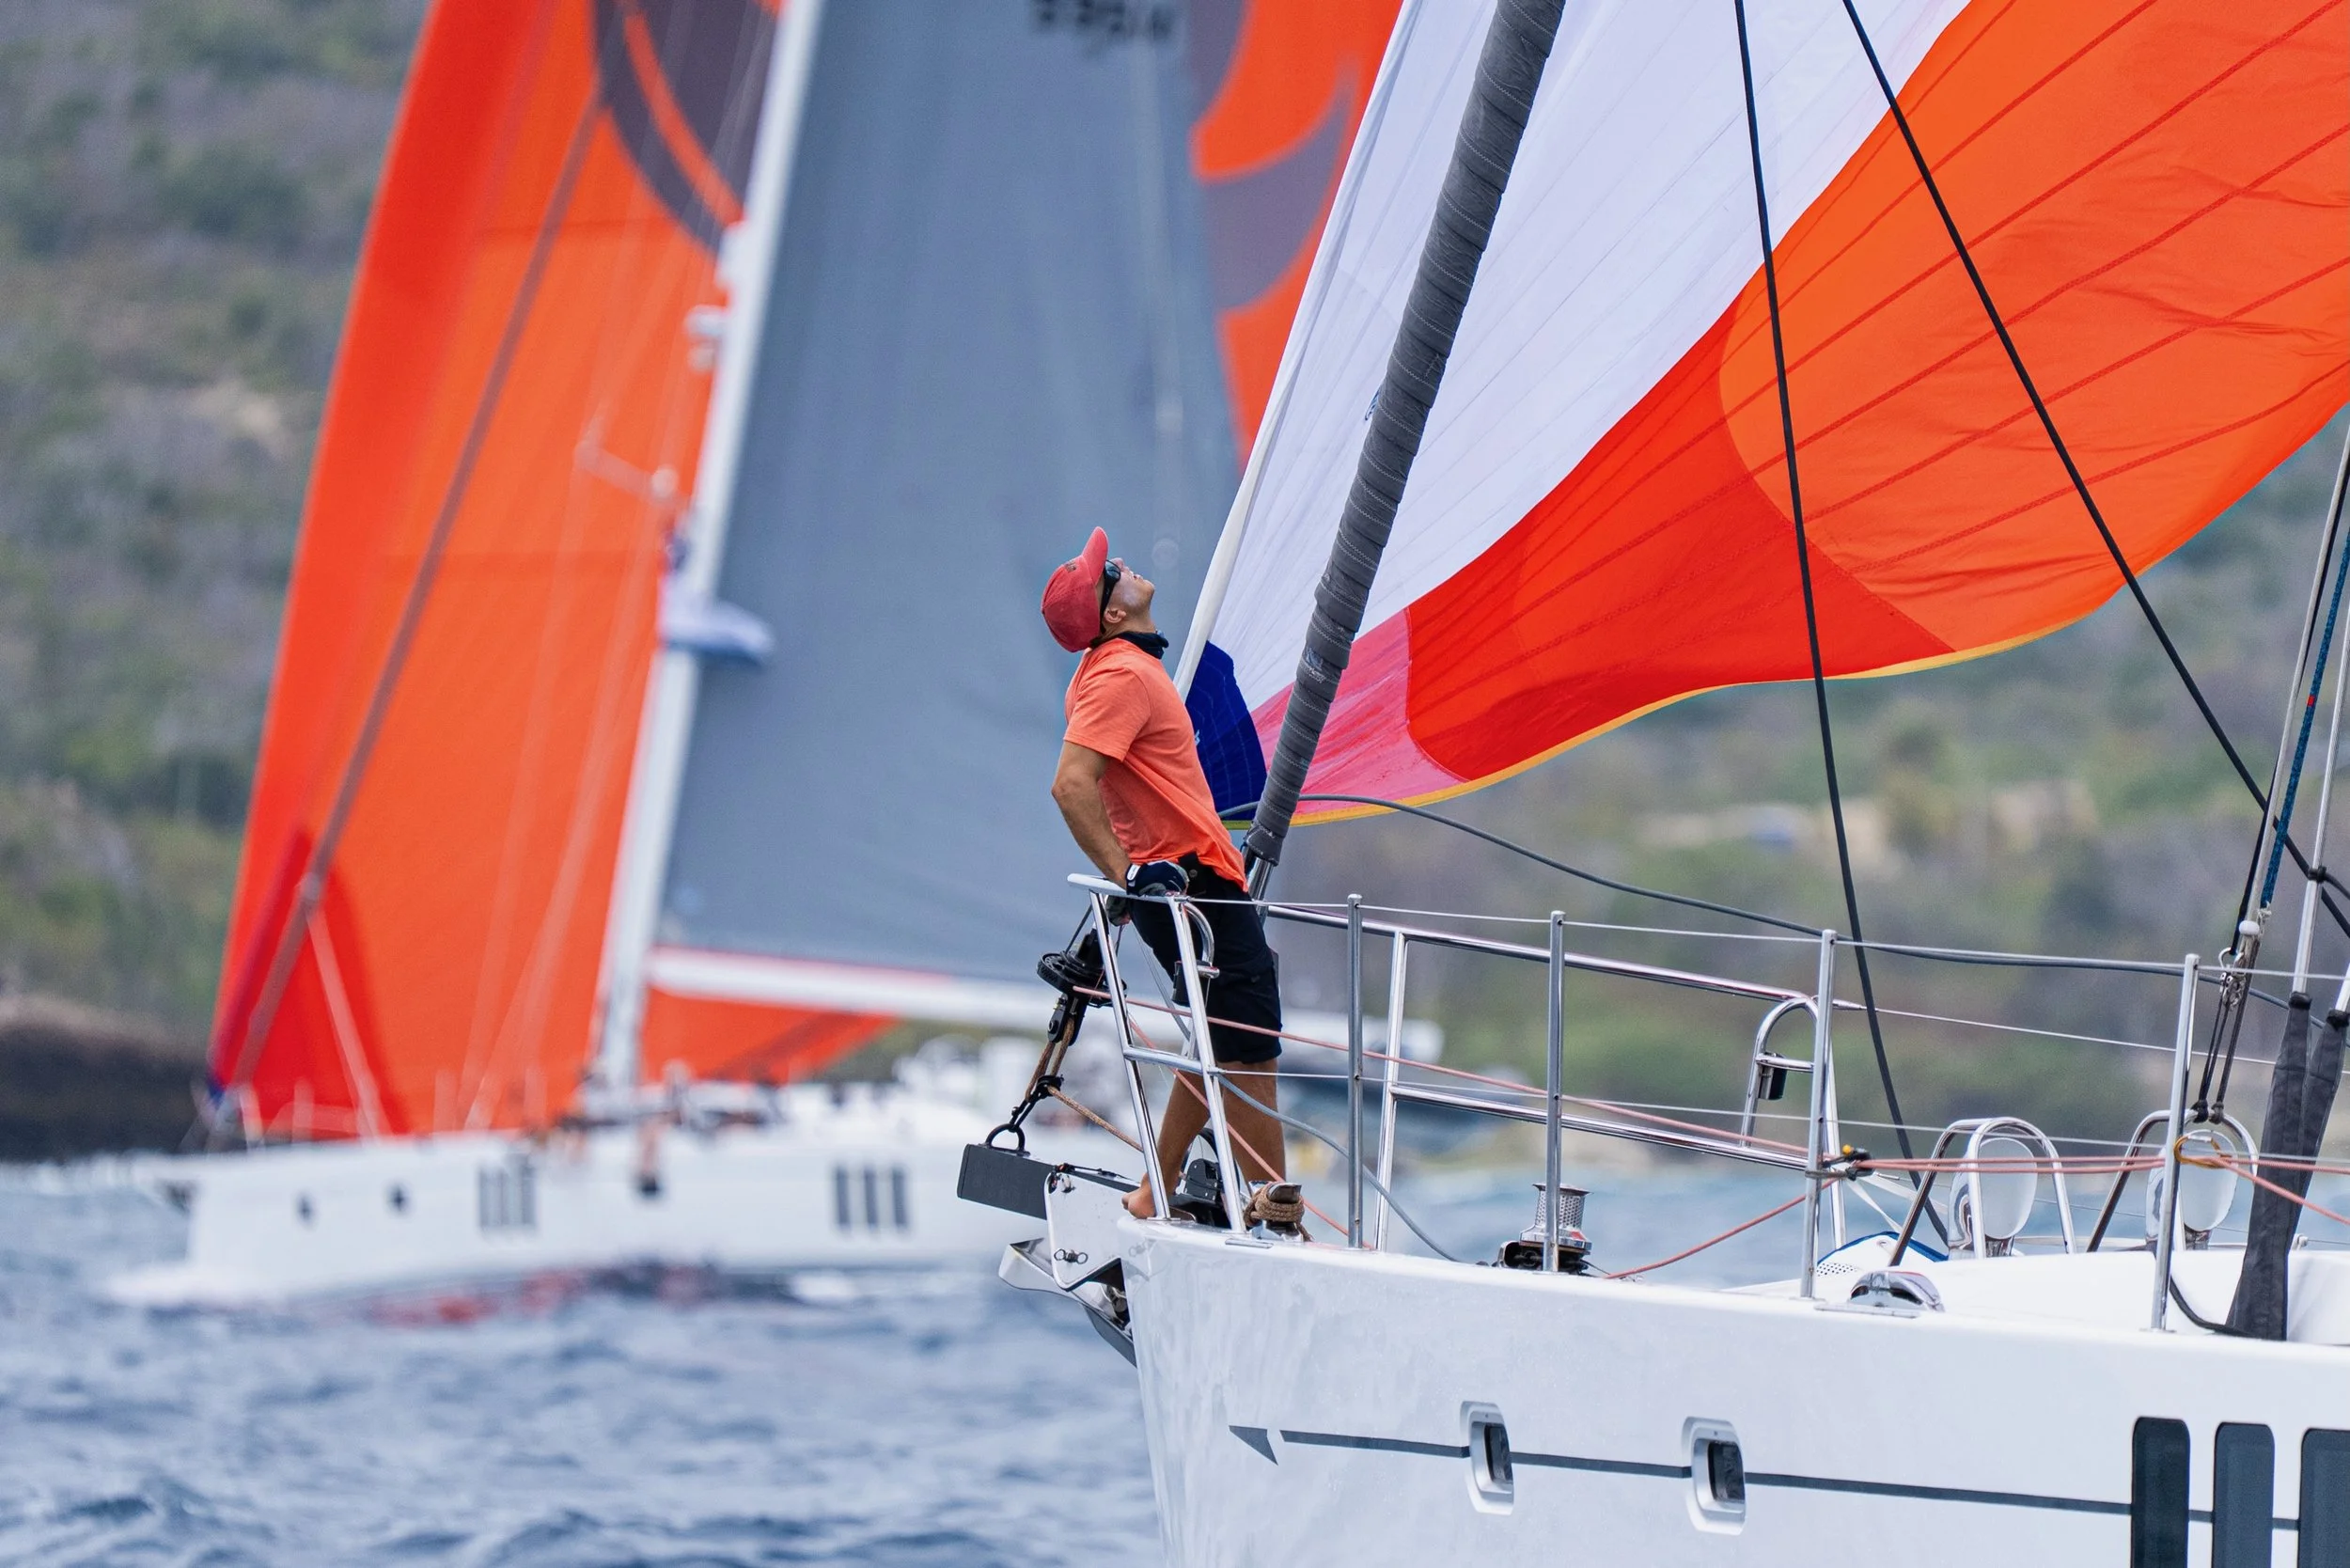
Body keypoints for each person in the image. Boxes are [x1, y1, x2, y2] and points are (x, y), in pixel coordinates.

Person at [1040, 527, 1286, 1221]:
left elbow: (1122, 786)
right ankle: (1270, 1207)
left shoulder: (1119, 669)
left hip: (1189, 879)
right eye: (1107, 573)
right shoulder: (1119, 675)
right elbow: (1071, 785)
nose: (1120, 564)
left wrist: (1131, 871)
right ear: (1112, 614)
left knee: (1226, 1042)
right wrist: (1129, 873)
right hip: (1189, 884)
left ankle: (1179, 1191)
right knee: (1246, 1046)